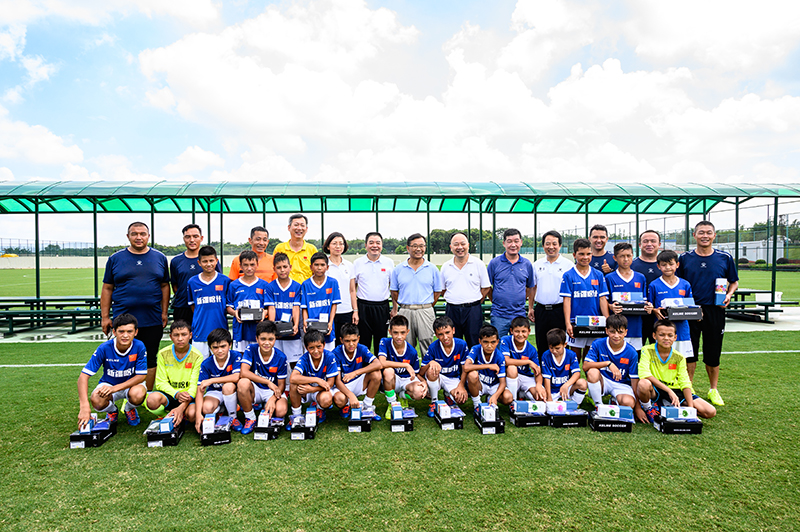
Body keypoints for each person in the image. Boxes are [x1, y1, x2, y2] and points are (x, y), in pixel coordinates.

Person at [101, 221, 170, 390]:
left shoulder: (159, 257)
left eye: (142, 234)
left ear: (148, 236)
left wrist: (164, 312)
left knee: (150, 358)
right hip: (123, 319)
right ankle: (124, 395)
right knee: (124, 357)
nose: (139, 237)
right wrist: (105, 317)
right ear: (128, 236)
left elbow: (164, 286)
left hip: (152, 318)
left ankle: (144, 396)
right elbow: (107, 288)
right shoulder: (115, 258)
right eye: (134, 234)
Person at [677, 221, 739, 406]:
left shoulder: (725, 257)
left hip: (715, 310)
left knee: (713, 351)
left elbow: (734, 281)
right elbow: (676, 281)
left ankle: (713, 389)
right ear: (694, 235)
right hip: (690, 310)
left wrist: (728, 295)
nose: (705, 236)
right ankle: (689, 388)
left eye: (709, 232)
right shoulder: (684, 258)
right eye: (701, 232)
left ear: (714, 235)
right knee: (689, 352)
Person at [637, 319, 717, 423]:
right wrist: (669, 391)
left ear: (675, 337)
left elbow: (685, 382)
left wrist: (691, 410)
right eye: (662, 335)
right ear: (654, 336)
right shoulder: (647, 350)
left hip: (676, 390)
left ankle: (667, 407)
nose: (666, 338)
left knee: (710, 411)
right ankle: (649, 408)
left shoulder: (679, 357)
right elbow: (644, 374)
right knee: (643, 383)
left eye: (670, 335)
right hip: (656, 389)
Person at [77, 313, 147, 428]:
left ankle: (129, 409)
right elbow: (83, 377)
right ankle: (112, 410)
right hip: (109, 384)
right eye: (121, 331)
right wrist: (84, 406)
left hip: (130, 385)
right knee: (96, 399)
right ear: (114, 332)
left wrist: (114, 388)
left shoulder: (139, 346)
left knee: (138, 393)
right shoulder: (104, 348)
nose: (125, 335)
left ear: (136, 332)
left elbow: (141, 376)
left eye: (129, 331)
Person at [583, 315, 646, 422]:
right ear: (606, 331)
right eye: (612, 332)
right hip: (603, 381)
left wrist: (637, 407)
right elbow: (585, 366)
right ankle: (599, 406)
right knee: (592, 372)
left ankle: (614, 400)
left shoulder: (631, 352)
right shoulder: (598, 343)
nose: (616, 336)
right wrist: (607, 363)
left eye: (620, 332)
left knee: (628, 403)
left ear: (626, 332)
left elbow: (634, 381)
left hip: (621, 384)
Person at [389, 233, 442, 356]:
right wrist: (403, 304)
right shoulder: (398, 269)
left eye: (421, 246)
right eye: (415, 246)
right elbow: (394, 291)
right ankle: (407, 368)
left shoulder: (432, 268)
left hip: (425, 310)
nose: (418, 249)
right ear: (408, 248)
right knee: (405, 345)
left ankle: (427, 368)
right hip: (405, 311)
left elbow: (437, 291)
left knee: (427, 345)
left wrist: (427, 305)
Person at [145, 320, 202, 427]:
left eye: (184, 334)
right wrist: (176, 394)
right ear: (171, 337)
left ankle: (180, 412)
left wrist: (182, 405)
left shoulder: (197, 355)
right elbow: (161, 382)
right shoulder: (163, 353)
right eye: (176, 335)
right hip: (172, 394)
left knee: (192, 415)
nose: (180, 338)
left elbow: (195, 384)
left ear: (190, 335)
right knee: (152, 400)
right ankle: (168, 414)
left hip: (189, 396)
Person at [560, 238, 610, 360]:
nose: (585, 257)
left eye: (588, 254)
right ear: (574, 255)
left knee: (590, 358)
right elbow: (567, 300)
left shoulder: (598, 274)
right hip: (576, 322)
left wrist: (608, 321)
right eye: (581, 254)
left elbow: (602, 299)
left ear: (592, 254)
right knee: (575, 357)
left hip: (595, 322)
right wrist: (568, 323)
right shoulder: (568, 275)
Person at [237, 320, 289, 434]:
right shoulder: (251, 349)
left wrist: (273, 398)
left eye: (270, 339)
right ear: (257, 339)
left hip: (272, 391)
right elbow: (243, 372)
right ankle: (250, 418)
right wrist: (268, 382)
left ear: (275, 339)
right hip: (255, 389)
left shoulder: (281, 357)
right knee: (242, 383)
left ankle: (268, 406)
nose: (267, 343)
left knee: (281, 411)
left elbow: (281, 386)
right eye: (263, 339)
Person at [440, 232, 490, 347]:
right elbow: (443, 289)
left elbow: (486, 287)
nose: (460, 247)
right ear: (451, 247)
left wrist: (474, 300)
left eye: (463, 244)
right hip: (452, 310)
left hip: (473, 310)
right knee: (453, 344)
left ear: (468, 245)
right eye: (456, 244)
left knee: (474, 342)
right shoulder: (446, 266)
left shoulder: (478, 264)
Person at [648, 250, 695, 363]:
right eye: (664, 265)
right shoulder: (654, 285)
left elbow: (690, 305)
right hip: (662, 330)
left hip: (681, 330)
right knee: (663, 361)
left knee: (681, 361)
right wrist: (654, 310)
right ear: (658, 266)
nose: (668, 267)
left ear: (677, 265)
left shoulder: (685, 284)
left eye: (671, 264)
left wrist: (697, 313)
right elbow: (650, 306)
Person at [487, 228, 535, 338]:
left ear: (521, 242)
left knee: (518, 345)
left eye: (516, 241)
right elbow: (487, 287)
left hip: (519, 314)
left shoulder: (527, 264)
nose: (513, 245)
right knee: (497, 345)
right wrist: (496, 300)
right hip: (499, 315)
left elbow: (529, 287)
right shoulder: (494, 263)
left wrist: (520, 298)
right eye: (509, 241)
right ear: (504, 243)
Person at [420, 316, 472, 417]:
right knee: (431, 370)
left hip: (453, 378)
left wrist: (461, 386)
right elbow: (421, 372)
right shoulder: (433, 347)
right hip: (438, 377)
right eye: (440, 334)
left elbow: (465, 368)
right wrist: (430, 363)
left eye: (447, 332)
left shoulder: (461, 344)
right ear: (436, 335)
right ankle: (434, 401)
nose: (445, 337)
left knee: (461, 399)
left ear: (453, 330)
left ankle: (448, 396)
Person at [378, 314, 429, 416]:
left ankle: (402, 396)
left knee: (419, 392)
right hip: (393, 380)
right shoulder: (385, 342)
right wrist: (405, 365)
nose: (399, 336)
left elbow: (416, 373)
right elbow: (382, 362)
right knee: (388, 371)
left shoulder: (412, 351)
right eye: (395, 333)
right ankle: (392, 403)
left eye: (402, 333)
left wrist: (424, 382)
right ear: (390, 332)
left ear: (407, 332)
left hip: (407, 380)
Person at [606, 242, 652, 351]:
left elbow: (644, 300)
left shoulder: (640, 277)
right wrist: (611, 306)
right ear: (615, 258)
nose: (626, 259)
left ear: (633, 256)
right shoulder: (609, 278)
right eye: (622, 256)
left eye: (628, 256)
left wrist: (649, 306)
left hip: (636, 326)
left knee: (634, 356)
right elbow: (604, 301)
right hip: (616, 327)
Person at [531, 230, 571, 356]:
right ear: (543, 246)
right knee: (542, 344)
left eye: (554, 244)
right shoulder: (536, 265)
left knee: (560, 345)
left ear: (560, 245)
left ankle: (561, 369)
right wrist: (531, 307)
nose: (551, 247)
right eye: (547, 244)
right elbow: (533, 288)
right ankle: (543, 368)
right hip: (541, 310)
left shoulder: (568, 265)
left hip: (560, 310)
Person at [170, 224, 221, 324]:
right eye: (188, 237)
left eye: (195, 236)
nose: (192, 240)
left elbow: (218, 281)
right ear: (183, 239)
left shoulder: (210, 260)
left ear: (201, 238)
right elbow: (175, 286)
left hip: (206, 307)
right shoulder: (176, 261)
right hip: (183, 307)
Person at [330, 323, 383, 418]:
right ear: (341, 340)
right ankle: (346, 406)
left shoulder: (361, 348)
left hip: (357, 381)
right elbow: (337, 381)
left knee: (376, 374)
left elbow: (378, 364)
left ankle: (367, 406)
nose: (351, 344)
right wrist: (351, 395)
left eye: (354, 340)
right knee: (339, 399)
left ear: (358, 338)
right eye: (347, 341)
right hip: (342, 385)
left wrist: (355, 373)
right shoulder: (335, 353)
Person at [353, 231, 394, 354]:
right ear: (366, 245)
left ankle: (380, 365)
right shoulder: (358, 263)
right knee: (363, 341)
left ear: (382, 245)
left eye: (378, 243)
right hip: (363, 307)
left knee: (381, 341)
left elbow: (393, 287)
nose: (374, 246)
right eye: (371, 243)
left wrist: (395, 308)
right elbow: (353, 288)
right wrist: (355, 310)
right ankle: (364, 365)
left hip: (382, 307)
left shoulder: (389, 262)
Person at [193, 328, 241, 433]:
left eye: (223, 346)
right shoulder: (206, 363)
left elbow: (236, 377)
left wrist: (211, 380)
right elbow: (200, 389)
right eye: (215, 347)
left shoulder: (235, 356)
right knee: (206, 408)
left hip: (233, 392)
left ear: (230, 345)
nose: (219, 351)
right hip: (215, 392)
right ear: (210, 348)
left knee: (228, 386)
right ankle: (222, 410)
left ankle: (233, 417)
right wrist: (198, 414)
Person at [288, 329, 339, 427]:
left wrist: (312, 389)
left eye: (319, 346)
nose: (316, 351)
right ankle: (297, 415)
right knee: (294, 384)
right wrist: (316, 380)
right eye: (311, 348)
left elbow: (330, 383)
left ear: (324, 345)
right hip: (306, 390)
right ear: (306, 348)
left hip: (321, 390)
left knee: (326, 400)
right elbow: (293, 378)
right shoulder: (304, 358)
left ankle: (320, 408)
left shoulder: (329, 356)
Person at [187, 245, 230, 359]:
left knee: (221, 364)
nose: (208, 264)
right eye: (205, 261)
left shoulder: (225, 281)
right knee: (200, 365)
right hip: (200, 331)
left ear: (216, 261)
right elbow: (193, 307)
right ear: (199, 262)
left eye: (211, 260)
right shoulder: (192, 282)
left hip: (220, 330)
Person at [265, 252, 304, 368]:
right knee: (276, 362)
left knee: (294, 362)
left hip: (292, 332)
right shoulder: (270, 287)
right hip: (277, 332)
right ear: (274, 269)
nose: (282, 270)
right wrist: (272, 327)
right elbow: (271, 308)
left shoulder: (297, 286)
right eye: (279, 267)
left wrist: (295, 325)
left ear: (290, 267)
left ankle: (294, 380)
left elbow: (296, 307)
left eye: (285, 267)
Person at [226, 250, 269, 353]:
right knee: (240, 356)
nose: (249, 268)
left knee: (258, 356)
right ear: (240, 266)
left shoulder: (264, 285)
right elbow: (228, 307)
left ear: (257, 265)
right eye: (245, 265)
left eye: (252, 264)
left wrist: (263, 314)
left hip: (257, 329)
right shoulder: (234, 285)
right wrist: (235, 313)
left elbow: (268, 307)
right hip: (240, 329)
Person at [464, 325, 513, 411]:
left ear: (497, 342)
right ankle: (477, 404)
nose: (489, 346)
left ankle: (490, 398)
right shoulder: (476, 349)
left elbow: (502, 383)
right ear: (480, 341)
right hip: (480, 384)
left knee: (508, 398)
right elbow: (466, 367)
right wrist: (488, 365)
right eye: (486, 342)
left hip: (494, 385)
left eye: (493, 342)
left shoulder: (499, 356)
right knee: (472, 375)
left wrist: (495, 396)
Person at [301, 252, 341, 350]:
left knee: (328, 354)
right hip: (312, 326)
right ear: (311, 267)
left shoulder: (333, 282)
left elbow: (334, 305)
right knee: (312, 352)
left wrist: (330, 322)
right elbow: (304, 307)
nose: (319, 268)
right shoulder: (306, 284)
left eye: (322, 265)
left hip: (326, 326)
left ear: (327, 267)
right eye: (316, 265)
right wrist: (305, 322)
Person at [323, 232, 357, 345]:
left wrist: (355, 311)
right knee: (329, 344)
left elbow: (352, 290)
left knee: (345, 344)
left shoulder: (349, 265)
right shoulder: (323, 265)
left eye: (341, 243)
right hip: (328, 311)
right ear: (328, 246)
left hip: (346, 311)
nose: (338, 246)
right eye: (334, 243)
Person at [500, 316, 545, 401]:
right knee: (512, 368)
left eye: (523, 331)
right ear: (511, 331)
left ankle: (523, 393)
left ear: (529, 331)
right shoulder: (506, 340)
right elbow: (506, 361)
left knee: (540, 397)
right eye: (517, 331)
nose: (520, 335)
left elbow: (537, 370)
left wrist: (539, 385)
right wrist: (528, 362)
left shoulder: (531, 349)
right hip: (509, 376)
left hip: (525, 376)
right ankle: (513, 402)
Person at [540, 328, 587, 404]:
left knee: (582, 383)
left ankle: (574, 404)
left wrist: (566, 385)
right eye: (551, 348)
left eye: (557, 348)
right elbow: (546, 378)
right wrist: (549, 397)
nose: (554, 351)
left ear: (565, 344)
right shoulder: (546, 355)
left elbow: (577, 373)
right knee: (537, 393)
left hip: (566, 388)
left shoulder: (571, 354)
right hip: (551, 390)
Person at [632, 230, 661, 345]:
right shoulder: (631, 265)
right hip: (637, 316)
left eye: (653, 241)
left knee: (660, 352)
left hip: (660, 316)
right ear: (640, 245)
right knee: (636, 351)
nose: (649, 244)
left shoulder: (666, 266)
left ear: (659, 244)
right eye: (645, 241)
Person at [273, 214, 318, 283]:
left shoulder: (312, 249)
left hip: (306, 288)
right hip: (285, 287)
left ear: (306, 229)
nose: (299, 228)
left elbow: (317, 272)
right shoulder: (280, 248)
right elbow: (274, 270)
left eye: (302, 225)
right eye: (296, 225)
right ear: (289, 228)